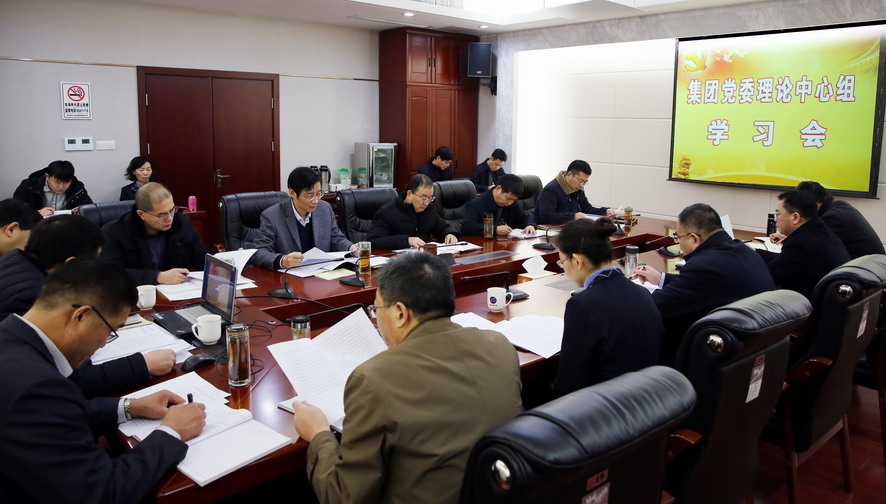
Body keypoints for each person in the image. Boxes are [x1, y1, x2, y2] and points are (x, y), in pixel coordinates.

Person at [291, 252, 522, 504]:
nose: (377, 318)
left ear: (400, 313)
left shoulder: (372, 378)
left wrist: (319, 434)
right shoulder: (498, 344)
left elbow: (344, 497)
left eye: (376, 309)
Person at [0, 258, 206, 503]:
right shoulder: (37, 387)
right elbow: (102, 493)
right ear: (81, 316)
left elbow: (51, 418)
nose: (101, 345)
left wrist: (130, 406)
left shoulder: (10, 340)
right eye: (110, 331)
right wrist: (172, 432)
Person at [0, 215, 176, 398]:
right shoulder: (30, 296)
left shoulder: (15, 261)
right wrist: (141, 365)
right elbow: (65, 380)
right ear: (72, 265)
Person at [633, 203, 775, 364]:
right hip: (755, 350)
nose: (678, 243)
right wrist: (660, 278)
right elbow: (703, 286)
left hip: (719, 357)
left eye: (678, 238)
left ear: (694, 239)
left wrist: (631, 290)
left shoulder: (704, 266)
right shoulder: (743, 250)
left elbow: (656, 307)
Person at [553, 218, 662, 397]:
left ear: (578, 260)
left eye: (562, 262)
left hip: (605, 406)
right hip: (647, 399)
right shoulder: (642, 293)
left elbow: (569, 383)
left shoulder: (582, 305)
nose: (564, 270)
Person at [101, 182, 208, 285]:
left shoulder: (182, 223)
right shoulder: (114, 232)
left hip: (177, 290)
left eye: (172, 210)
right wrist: (158, 277)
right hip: (137, 292)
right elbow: (110, 273)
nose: (169, 218)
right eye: (162, 215)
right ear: (141, 214)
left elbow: (200, 256)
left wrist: (215, 266)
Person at [253, 167, 356, 270]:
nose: (315, 201)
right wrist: (283, 260)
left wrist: (352, 248)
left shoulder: (324, 208)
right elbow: (260, 252)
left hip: (322, 273)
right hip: (290, 275)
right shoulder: (272, 216)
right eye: (309, 196)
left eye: (319, 194)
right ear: (292, 193)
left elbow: (336, 238)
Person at [757, 189, 850, 299]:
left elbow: (767, 276)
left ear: (795, 217)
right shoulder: (820, 230)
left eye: (778, 214)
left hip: (809, 305)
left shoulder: (801, 243)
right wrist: (756, 253)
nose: (776, 219)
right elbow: (784, 260)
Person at [778, 180, 885, 259]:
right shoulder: (839, 206)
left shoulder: (833, 217)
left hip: (864, 273)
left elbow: (811, 247)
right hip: (872, 267)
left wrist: (790, 240)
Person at [366, 173, 459, 250]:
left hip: (424, 258)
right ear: (410, 194)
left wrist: (450, 234)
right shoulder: (388, 211)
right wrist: (407, 240)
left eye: (430, 198)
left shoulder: (429, 210)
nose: (426, 202)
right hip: (396, 261)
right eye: (423, 198)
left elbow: (442, 227)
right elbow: (373, 241)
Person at [535, 160, 615, 224]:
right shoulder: (551, 189)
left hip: (573, 228)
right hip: (553, 231)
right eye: (580, 181)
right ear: (569, 174)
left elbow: (587, 209)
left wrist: (604, 211)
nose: (581, 185)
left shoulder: (578, 188)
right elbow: (545, 216)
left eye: (585, 182)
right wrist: (573, 216)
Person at [461, 174, 536, 237]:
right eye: (508, 198)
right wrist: (494, 229)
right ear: (498, 188)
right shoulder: (477, 203)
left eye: (513, 200)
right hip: (483, 244)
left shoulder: (511, 202)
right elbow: (467, 227)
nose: (510, 203)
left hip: (505, 243)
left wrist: (529, 225)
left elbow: (523, 217)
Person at [13, 160, 93, 216]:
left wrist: (80, 212)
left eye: (66, 182)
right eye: (57, 182)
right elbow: (15, 210)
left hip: (67, 225)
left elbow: (89, 209)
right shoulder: (29, 186)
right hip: (37, 226)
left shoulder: (77, 188)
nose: (61, 187)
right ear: (47, 176)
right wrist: (36, 213)